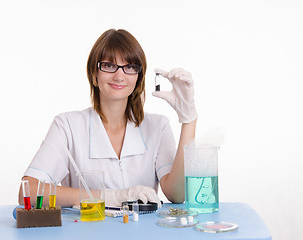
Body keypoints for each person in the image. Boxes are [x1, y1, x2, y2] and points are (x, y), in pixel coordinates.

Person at [18, 29, 197, 208]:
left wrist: (188, 119)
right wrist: (110, 197)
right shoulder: (67, 126)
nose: (119, 76)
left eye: (129, 67)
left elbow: (177, 194)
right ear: (94, 73)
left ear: (138, 77)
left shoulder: (158, 126)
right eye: (109, 65)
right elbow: (29, 192)